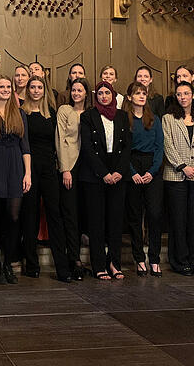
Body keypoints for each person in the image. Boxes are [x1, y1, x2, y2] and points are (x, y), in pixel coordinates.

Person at [20, 75, 72, 281]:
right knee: (30, 216)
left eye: (39, 87)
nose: (35, 90)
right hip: (29, 170)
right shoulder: (21, 112)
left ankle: (62, 267)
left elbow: (59, 143)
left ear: (44, 89)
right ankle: (31, 265)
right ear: (28, 89)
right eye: (32, 87)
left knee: (55, 216)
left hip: (50, 169)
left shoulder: (52, 112)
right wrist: (26, 173)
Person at [79, 81, 132, 280]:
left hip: (118, 173)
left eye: (107, 93)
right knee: (96, 223)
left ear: (113, 95)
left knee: (115, 222)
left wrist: (118, 171)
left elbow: (127, 146)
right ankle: (99, 265)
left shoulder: (121, 116)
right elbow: (87, 148)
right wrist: (103, 173)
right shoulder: (88, 116)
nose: (103, 96)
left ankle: (114, 263)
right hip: (95, 175)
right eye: (100, 93)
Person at [0, 75, 31, 284]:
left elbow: (25, 146)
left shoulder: (19, 113)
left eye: (8, 87)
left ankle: (9, 262)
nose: (5, 90)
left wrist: (28, 173)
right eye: (0, 86)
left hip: (14, 167)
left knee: (12, 217)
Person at [163, 81, 194, 276]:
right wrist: (183, 167)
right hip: (176, 175)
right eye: (179, 94)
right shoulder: (168, 118)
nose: (183, 97)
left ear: (193, 95)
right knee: (178, 220)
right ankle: (180, 261)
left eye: (186, 93)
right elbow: (168, 144)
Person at [124, 82, 164, 277]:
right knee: (134, 216)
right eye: (137, 93)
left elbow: (159, 147)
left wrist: (153, 170)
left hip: (152, 168)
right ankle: (139, 258)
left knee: (155, 215)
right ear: (130, 97)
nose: (141, 96)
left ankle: (154, 259)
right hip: (132, 166)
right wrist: (132, 172)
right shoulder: (125, 119)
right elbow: (122, 149)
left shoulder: (154, 119)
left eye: (143, 93)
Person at [55, 77, 92, 280]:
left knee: (85, 212)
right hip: (70, 165)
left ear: (87, 93)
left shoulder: (92, 113)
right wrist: (65, 169)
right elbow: (60, 139)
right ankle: (74, 259)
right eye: (74, 90)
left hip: (89, 168)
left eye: (80, 90)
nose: (76, 93)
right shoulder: (64, 110)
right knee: (70, 213)